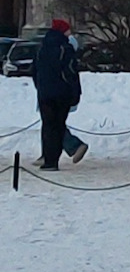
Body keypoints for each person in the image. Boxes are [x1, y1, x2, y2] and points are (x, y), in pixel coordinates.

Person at [32, 16, 87, 170]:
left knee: (49, 126)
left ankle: (49, 160)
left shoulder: (41, 48)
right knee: (58, 125)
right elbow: (70, 72)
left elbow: (34, 71)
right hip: (61, 93)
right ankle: (54, 159)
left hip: (45, 93)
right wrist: (75, 93)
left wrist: (41, 87)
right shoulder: (65, 48)